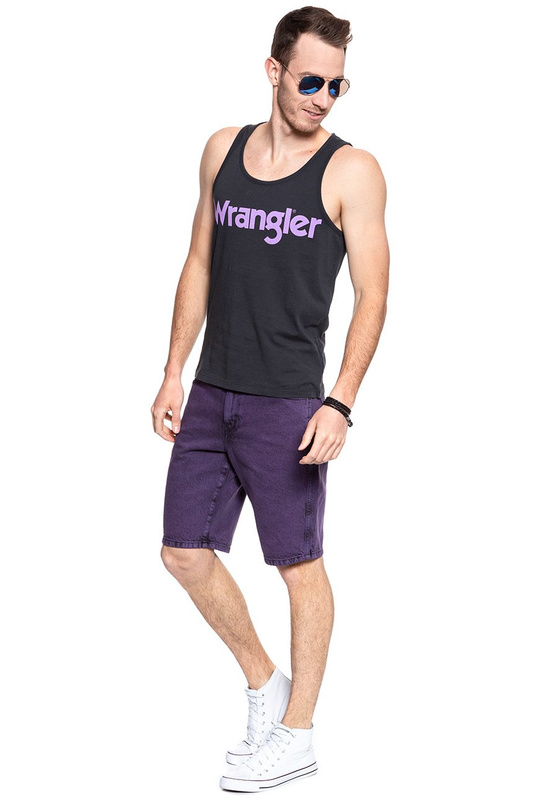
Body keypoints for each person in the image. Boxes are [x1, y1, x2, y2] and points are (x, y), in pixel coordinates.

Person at [151, 6, 389, 792]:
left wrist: (339, 402)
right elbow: (198, 262)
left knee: (298, 564)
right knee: (183, 552)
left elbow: (373, 294)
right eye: (311, 81)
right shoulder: (222, 150)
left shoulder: (351, 171)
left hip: (288, 404)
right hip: (211, 391)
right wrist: (172, 370)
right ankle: (265, 684)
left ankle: (299, 734)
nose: (324, 97)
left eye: (337, 85)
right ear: (274, 71)